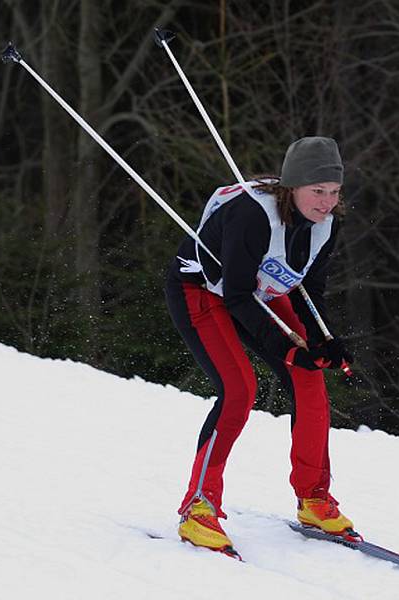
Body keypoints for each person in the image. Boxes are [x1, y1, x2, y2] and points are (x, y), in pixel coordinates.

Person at [164, 136, 356, 556]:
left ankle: (314, 498)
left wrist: (323, 340)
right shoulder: (253, 216)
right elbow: (235, 295)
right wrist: (287, 347)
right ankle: (199, 505)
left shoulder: (327, 224)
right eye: (317, 191)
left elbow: (309, 290)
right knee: (239, 390)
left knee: (310, 376)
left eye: (334, 192)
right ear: (292, 187)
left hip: (263, 290)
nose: (326, 202)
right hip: (205, 290)